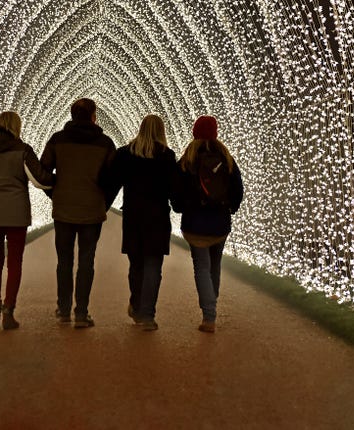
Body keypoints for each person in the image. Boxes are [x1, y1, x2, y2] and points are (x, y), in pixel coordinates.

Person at [0, 111, 52, 330]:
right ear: (16, 127)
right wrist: (60, 182)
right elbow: (39, 180)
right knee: (15, 261)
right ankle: (8, 311)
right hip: (16, 214)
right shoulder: (22, 150)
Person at [40, 98, 116, 328]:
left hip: (63, 210)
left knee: (64, 261)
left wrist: (56, 193)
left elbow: (43, 172)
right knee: (86, 261)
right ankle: (81, 313)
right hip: (92, 211)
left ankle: (63, 310)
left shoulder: (57, 140)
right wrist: (103, 202)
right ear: (93, 116)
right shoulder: (105, 143)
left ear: (72, 115)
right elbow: (112, 180)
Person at [170, 115, 243, 333]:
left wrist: (179, 207)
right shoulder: (227, 158)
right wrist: (231, 208)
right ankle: (212, 303)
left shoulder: (187, 160)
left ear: (194, 133)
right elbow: (238, 189)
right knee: (214, 265)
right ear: (215, 132)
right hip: (220, 223)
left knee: (201, 267)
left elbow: (175, 190)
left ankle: (209, 315)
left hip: (194, 223)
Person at [107, 114, 177, 331]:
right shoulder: (167, 156)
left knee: (136, 263)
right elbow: (173, 188)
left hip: (134, 215)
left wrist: (100, 205)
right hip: (157, 217)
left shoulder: (126, 153)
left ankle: (137, 305)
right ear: (161, 131)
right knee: (153, 265)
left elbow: (111, 182)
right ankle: (147, 314)